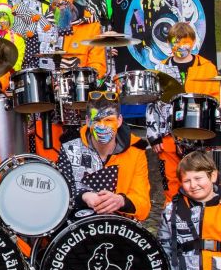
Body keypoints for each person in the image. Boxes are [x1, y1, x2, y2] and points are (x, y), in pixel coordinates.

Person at [146, 22, 221, 204]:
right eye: (176, 42)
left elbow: (217, 99)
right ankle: (173, 213)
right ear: (169, 43)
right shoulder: (160, 69)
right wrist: (154, 136)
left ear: (193, 42)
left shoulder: (207, 67)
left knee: (198, 177)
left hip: (199, 133)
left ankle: (201, 211)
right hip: (168, 136)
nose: (181, 47)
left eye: (185, 42)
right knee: (171, 179)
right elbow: (153, 104)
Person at [56, 92, 151, 221]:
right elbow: (59, 194)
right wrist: (83, 196)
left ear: (119, 121)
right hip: (79, 227)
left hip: (121, 226)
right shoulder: (69, 147)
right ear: (88, 121)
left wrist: (121, 201)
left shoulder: (136, 151)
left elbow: (143, 204)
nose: (102, 126)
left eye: (109, 120)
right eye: (96, 120)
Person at [0, 3, 26, 72]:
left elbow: (19, 59)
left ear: (10, 19)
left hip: (9, 76)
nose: (1, 21)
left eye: (5, 18)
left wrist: (12, 69)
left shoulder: (18, 38)